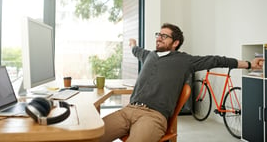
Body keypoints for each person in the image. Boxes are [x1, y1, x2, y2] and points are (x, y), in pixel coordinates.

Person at [100, 23, 264, 142]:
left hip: (153, 116)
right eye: (158, 34)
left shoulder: (185, 61)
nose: (159, 38)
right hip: (128, 110)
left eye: (164, 36)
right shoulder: (148, 55)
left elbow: (216, 60)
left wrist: (249, 64)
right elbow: (136, 51)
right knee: (90, 135)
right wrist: (133, 45)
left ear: (175, 42)